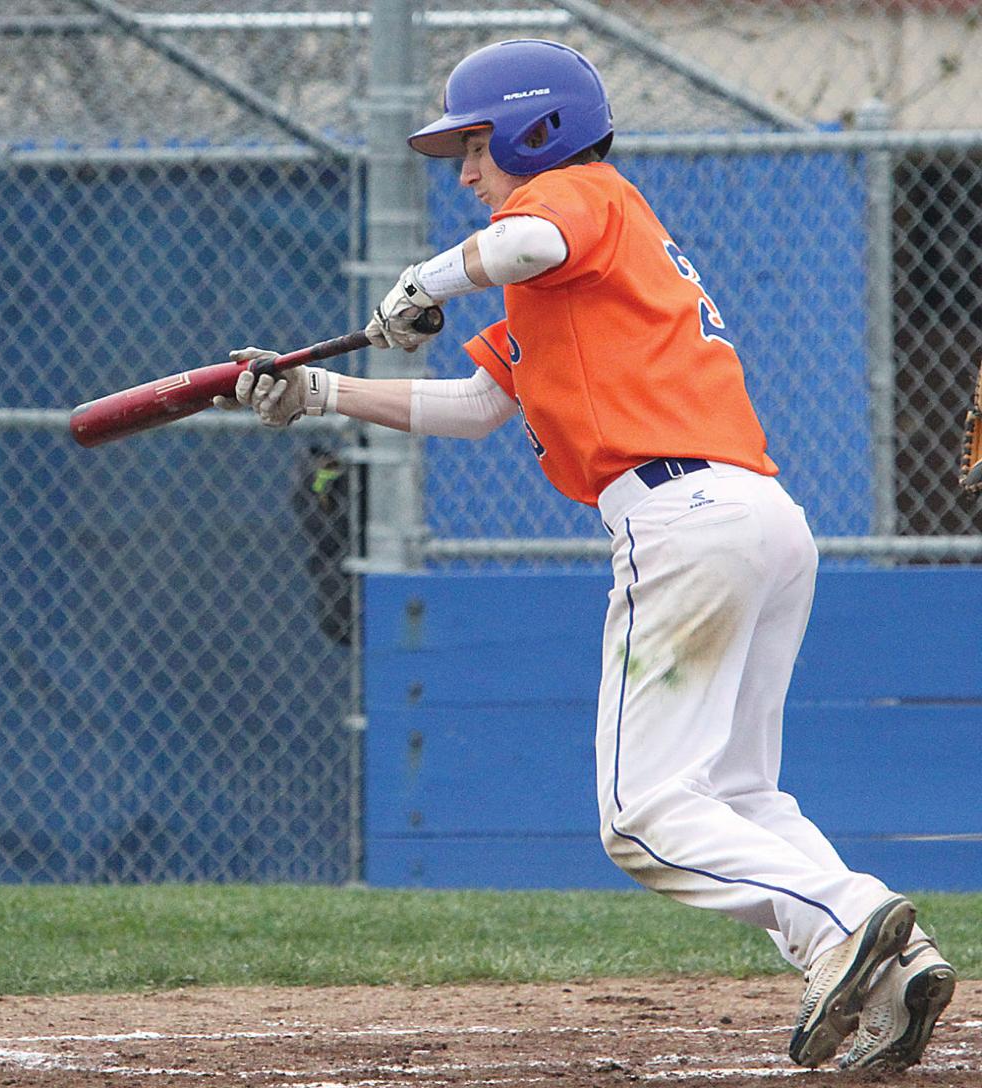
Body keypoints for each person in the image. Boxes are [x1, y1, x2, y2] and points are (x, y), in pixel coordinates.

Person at [215, 38, 956, 1071]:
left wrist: (424, 279)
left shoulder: (580, 197)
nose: (465, 172)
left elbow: (517, 247)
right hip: (753, 516)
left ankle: (848, 918)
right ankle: (892, 959)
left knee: (643, 815)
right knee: (739, 796)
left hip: (684, 519)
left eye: (474, 146)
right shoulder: (569, 268)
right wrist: (320, 393)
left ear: (536, 129)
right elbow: (477, 406)